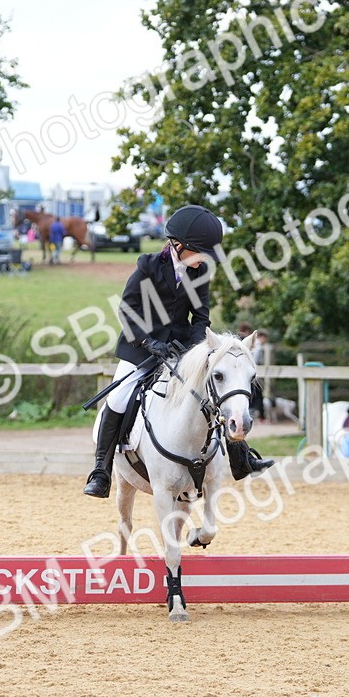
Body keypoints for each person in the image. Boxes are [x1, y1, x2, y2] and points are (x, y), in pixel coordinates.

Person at [83, 205, 273, 498]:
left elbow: (201, 318)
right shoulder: (148, 266)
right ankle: (101, 470)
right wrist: (148, 343)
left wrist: (197, 351)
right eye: (201, 254)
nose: (204, 261)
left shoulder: (201, 271)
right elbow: (128, 310)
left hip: (183, 348)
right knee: (119, 398)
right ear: (178, 246)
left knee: (216, 389)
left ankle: (240, 457)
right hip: (141, 347)